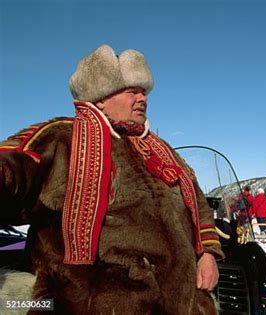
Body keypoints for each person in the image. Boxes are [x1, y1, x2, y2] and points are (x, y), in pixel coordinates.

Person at [0, 45, 224, 314]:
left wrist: (208, 255)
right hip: (94, 300)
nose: (142, 98)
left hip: (180, 298)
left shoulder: (163, 151)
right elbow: (13, 169)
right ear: (101, 98)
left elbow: (199, 208)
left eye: (144, 91)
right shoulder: (64, 137)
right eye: (132, 91)